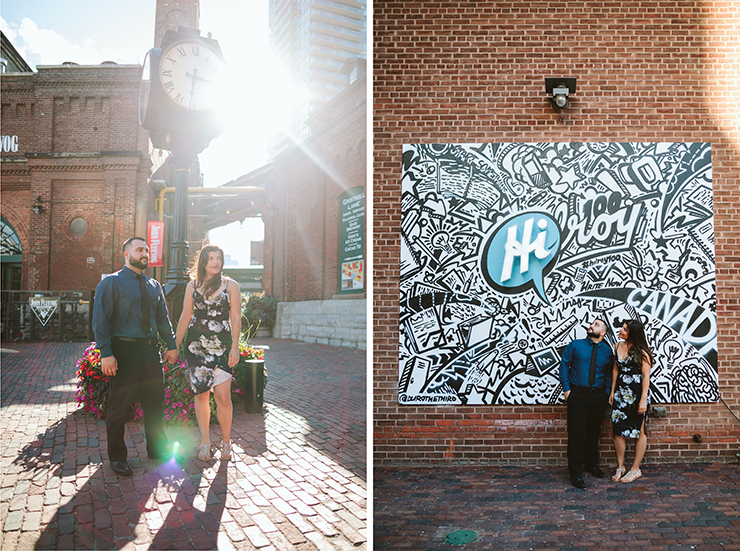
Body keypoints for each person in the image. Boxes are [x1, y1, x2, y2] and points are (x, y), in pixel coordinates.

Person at [93, 237, 179, 477]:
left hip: (151, 352)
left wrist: (171, 345)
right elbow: (101, 320)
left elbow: (163, 319)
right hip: (124, 352)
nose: (144, 253)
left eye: (147, 250)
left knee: (154, 403)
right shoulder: (111, 283)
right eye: (139, 249)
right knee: (119, 408)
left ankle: (156, 449)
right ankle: (118, 458)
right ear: (126, 254)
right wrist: (106, 353)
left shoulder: (154, 286)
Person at [175, 244, 241, 461]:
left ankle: (226, 441)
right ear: (203, 261)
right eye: (211, 258)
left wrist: (234, 347)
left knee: (223, 397)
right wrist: (175, 345)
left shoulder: (231, 285)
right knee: (201, 394)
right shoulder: (192, 286)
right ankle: (205, 441)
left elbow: (236, 318)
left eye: (219, 258)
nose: (215, 262)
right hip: (196, 347)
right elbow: (185, 316)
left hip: (222, 347)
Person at [559, 318, 614, 489]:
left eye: (596, 325)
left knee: (593, 433)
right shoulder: (575, 345)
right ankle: (575, 473)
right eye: (592, 324)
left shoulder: (607, 351)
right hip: (578, 395)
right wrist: (567, 390)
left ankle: (591, 465)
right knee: (576, 434)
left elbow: (608, 373)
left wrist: (605, 393)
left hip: (598, 397)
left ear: (603, 333)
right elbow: (564, 365)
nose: (591, 326)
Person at [609, 319, 653, 483]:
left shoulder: (642, 352)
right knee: (617, 430)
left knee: (639, 431)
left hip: (637, 396)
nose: (621, 330)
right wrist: (612, 391)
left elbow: (646, 377)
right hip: (620, 394)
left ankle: (635, 469)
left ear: (633, 333)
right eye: (622, 328)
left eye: (625, 329)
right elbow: (615, 369)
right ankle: (621, 466)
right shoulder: (617, 346)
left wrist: (643, 400)